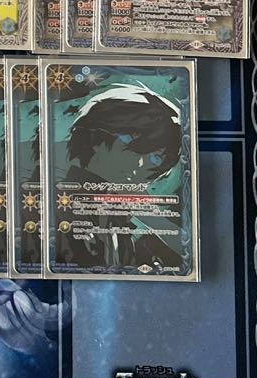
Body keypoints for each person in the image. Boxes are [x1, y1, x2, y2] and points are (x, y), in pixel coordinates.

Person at [58, 84, 185, 270]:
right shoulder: (58, 205)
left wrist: (148, 213)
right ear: (94, 136)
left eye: (156, 157)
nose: (140, 163)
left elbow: (190, 254)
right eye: (131, 140)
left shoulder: (123, 225)